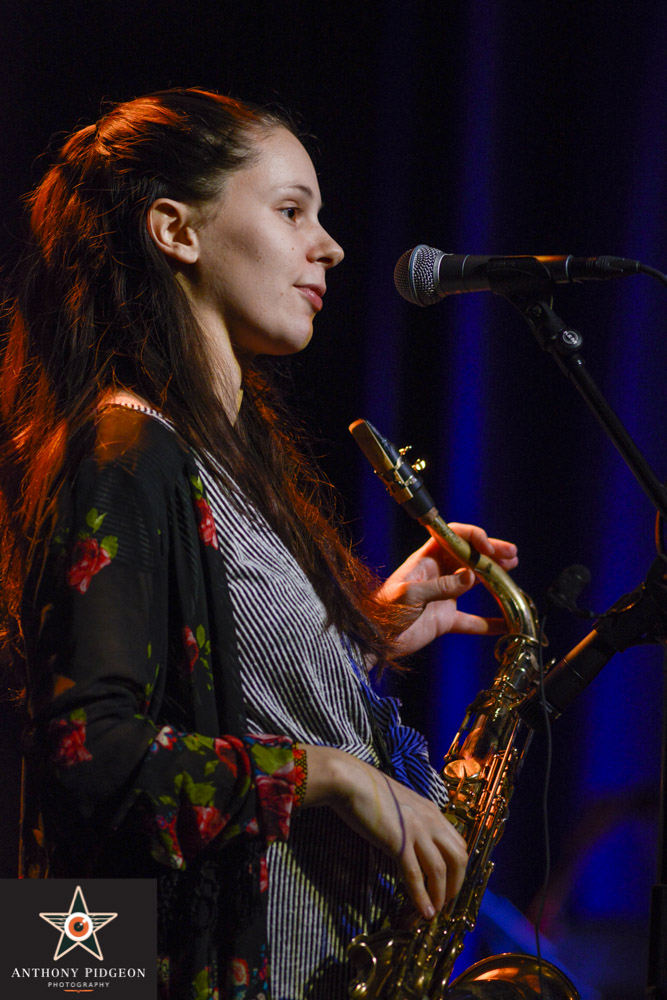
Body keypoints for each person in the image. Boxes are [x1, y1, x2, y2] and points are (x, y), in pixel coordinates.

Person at [0, 89, 518, 1000]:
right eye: (290, 211)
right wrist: (342, 778)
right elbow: (92, 760)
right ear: (176, 230)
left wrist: (359, 636)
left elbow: (205, 688)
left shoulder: (216, 457)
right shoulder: (125, 449)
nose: (329, 246)